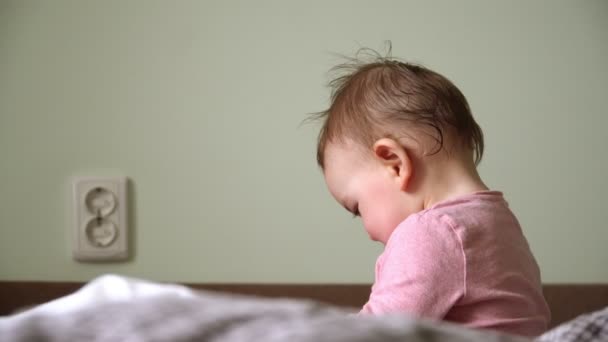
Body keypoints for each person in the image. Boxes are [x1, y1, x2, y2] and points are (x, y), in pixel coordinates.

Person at [312, 49, 551, 337]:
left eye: (357, 208)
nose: (367, 231)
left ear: (395, 163)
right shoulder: (498, 219)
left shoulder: (431, 231)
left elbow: (376, 332)